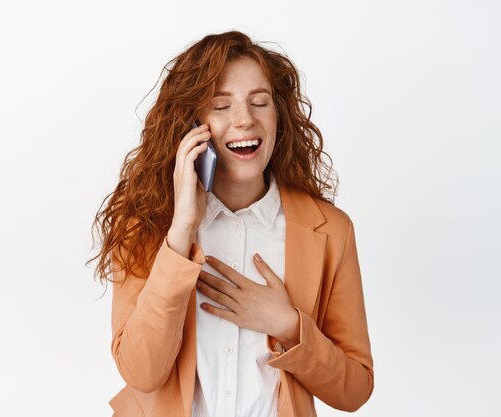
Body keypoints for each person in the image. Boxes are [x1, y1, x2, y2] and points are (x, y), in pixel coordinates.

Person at [88, 30, 374, 417]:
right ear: (190, 124)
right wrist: (181, 233)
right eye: (220, 106)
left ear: (279, 116)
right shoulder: (147, 222)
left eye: (260, 102)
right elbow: (141, 372)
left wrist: (289, 325)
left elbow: (355, 388)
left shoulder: (330, 231)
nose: (245, 120)